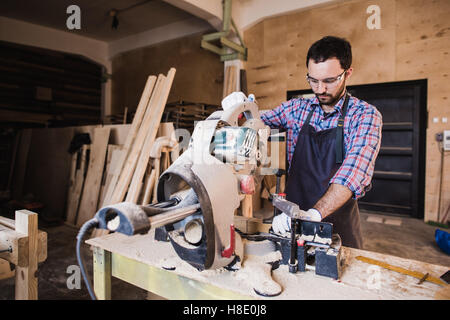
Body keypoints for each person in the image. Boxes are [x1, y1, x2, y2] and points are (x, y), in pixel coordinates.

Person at [260, 36, 382, 248]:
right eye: (313, 80)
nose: (320, 90)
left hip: (337, 230)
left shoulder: (365, 116)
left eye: (328, 81)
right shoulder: (296, 109)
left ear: (348, 73)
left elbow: (353, 173)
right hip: (290, 223)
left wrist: (313, 215)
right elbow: (257, 121)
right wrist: (241, 110)